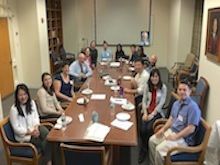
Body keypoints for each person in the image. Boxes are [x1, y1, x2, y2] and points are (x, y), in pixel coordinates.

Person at [148, 80, 201, 165]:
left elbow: (191, 128)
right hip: (172, 131)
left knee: (159, 150)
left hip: (183, 139)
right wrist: (163, 129)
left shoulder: (193, 107)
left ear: (190, 91)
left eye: (184, 90)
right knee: (152, 141)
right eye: (180, 89)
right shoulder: (176, 103)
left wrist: (176, 137)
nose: (182, 92)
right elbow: (171, 119)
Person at [9, 84, 52, 165]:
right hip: (24, 136)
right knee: (44, 142)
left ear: (28, 94)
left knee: (48, 135)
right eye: (20, 95)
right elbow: (16, 129)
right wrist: (30, 133)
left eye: (25, 94)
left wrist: (36, 128)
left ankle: (49, 160)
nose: (23, 97)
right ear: (16, 96)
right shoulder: (14, 109)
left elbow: (36, 117)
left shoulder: (31, 103)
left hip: (35, 128)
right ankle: (49, 162)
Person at [138, 68, 167, 163]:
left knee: (149, 128)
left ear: (159, 77)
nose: (154, 78)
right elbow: (144, 99)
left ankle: (145, 148)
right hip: (147, 110)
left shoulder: (163, 88)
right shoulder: (147, 86)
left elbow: (161, 104)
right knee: (142, 129)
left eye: (156, 76)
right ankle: (144, 148)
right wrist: (145, 113)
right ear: (150, 77)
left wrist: (152, 114)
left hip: (157, 112)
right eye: (152, 76)